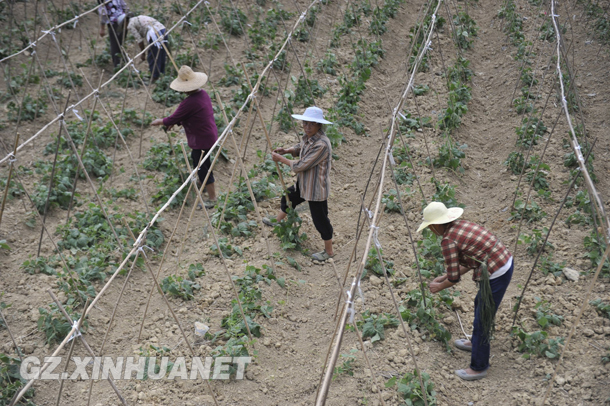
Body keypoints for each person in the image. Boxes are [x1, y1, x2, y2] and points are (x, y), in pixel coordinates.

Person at [416, 201, 513, 381]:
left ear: (437, 225)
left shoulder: (448, 241)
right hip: (502, 260)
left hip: (496, 271)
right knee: (479, 305)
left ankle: (479, 367)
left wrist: (440, 285)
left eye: (430, 227)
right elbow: (469, 261)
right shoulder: (459, 226)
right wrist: (444, 277)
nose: (431, 231)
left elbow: (454, 278)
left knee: (483, 317)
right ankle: (475, 343)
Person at [263, 106, 335, 262]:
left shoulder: (322, 145)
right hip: (304, 184)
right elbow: (301, 147)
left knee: (320, 220)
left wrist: (281, 159)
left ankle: (329, 252)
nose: (307, 127)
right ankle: (278, 222)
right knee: (288, 197)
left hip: (315, 189)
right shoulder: (310, 137)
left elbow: (301, 165)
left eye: (311, 124)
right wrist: (287, 150)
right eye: (305, 123)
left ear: (319, 125)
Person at [151, 66, 218, 209]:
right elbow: (192, 115)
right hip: (209, 135)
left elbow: (174, 118)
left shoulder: (189, 102)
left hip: (202, 140)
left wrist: (161, 122)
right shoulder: (203, 94)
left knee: (203, 167)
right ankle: (202, 183)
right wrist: (176, 122)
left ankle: (212, 198)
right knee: (202, 164)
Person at [127, 15, 167, 83]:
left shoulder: (130, 25)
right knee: (161, 53)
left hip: (155, 34)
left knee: (152, 56)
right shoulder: (138, 17)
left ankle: (155, 77)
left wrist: (143, 54)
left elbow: (139, 40)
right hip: (163, 30)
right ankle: (162, 74)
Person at [98, 0, 129, 68]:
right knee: (121, 44)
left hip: (115, 23)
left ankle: (118, 68)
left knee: (115, 47)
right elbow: (125, 6)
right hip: (124, 20)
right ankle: (125, 64)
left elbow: (103, 13)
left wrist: (102, 28)